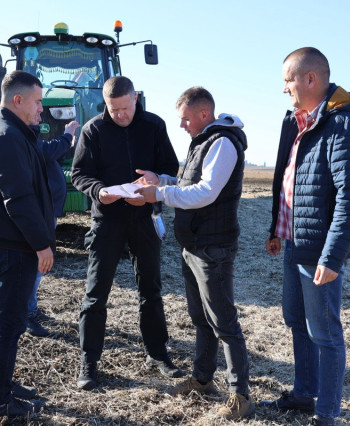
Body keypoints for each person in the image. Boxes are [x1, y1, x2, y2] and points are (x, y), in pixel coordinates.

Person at [258, 47, 350, 426]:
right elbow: (287, 178)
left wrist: (332, 257)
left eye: (287, 80)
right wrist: (277, 227)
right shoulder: (296, 121)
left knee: (325, 332)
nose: (283, 88)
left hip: (320, 248)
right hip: (295, 240)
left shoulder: (344, 124)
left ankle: (326, 413)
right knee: (296, 319)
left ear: (310, 79)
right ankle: (305, 394)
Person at [134, 87, 254, 420]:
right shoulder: (202, 141)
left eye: (185, 119)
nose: (182, 125)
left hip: (213, 248)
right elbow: (188, 184)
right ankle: (202, 379)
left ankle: (240, 396)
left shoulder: (222, 143)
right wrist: (161, 180)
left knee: (224, 323)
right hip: (194, 245)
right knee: (201, 319)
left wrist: (159, 194)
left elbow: (205, 193)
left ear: (203, 114)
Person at [70, 76, 182, 390]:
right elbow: (79, 174)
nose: (120, 114)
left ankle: (157, 354)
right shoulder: (93, 130)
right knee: (96, 293)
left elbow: (170, 167)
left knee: (151, 289)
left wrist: (155, 178)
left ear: (135, 98)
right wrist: (98, 190)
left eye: (125, 108)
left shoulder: (154, 126)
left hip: (144, 218)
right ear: (105, 105)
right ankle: (89, 362)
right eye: (113, 109)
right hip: (107, 220)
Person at [0, 70, 55, 422]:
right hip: (12, 247)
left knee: (8, 324)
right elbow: (18, 199)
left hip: (0, 243)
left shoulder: (0, 130)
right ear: (18, 100)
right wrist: (42, 245)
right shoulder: (6, 136)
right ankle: (0, 404)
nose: (41, 109)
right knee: (7, 327)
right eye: (37, 102)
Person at [26, 120, 80, 337]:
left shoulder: (29, 137)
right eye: (37, 105)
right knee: (34, 266)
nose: (40, 113)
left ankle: (31, 308)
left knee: (37, 268)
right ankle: (26, 314)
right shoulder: (23, 139)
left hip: (47, 211)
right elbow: (48, 150)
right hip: (40, 212)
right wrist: (67, 134)